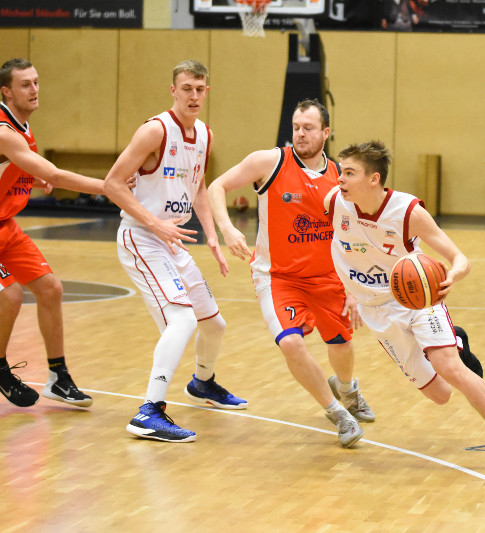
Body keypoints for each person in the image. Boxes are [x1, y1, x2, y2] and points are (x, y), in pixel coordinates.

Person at [324, 140, 485, 474]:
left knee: (450, 367)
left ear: (373, 178)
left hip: (417, 297)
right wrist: (349, 291)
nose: (341, 179)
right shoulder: (334, 203)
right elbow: (342, 250)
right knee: (440, 394)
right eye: (341, 171)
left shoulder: (407, 212)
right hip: (375, 310)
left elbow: (459, 257)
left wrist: (453, 275)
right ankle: (458, 341)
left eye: (350, 173)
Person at [207, 98, 373, 448]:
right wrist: (227, 228)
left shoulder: (340, 176)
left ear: (326, 133)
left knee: (341, 344)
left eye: (309, 128)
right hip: (278, 277)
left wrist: (354, 284)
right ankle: (337, 414)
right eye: (297, 127)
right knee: (292, 343)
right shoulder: (270, 161)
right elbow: (216, 187)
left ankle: (347, 390)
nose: (301, 134)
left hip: (328, 276)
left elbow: (355, 232)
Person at [104, 60, 246, 443]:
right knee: (181, 320)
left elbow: (197, 186)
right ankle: (149, 411)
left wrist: (213, 237)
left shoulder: (203, 135)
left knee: (214, 324)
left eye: (200, 89)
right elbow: (112, 184)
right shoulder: (155, 131)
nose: (194, 95)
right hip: (141, 237)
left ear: (207, 91)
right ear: (173, 90)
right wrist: (154, 223)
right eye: (186, 88)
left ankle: (202, 383)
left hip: (172, 240)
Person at [0, 58, 110, 408]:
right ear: (6, 92)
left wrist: (34, 177)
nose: (34, 90)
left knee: (50, 289)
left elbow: (19, 167)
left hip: (6, 227)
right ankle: (0, 368)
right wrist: (111, 187)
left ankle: (58, 377)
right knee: (10, 296)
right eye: (25, 85)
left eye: (35, 82)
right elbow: (57, 175)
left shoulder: (21, 126)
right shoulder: (3, 130)